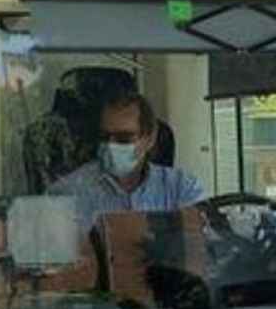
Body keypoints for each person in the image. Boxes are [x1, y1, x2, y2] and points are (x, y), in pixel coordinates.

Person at [48, 88, 205, 229]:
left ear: (149, 139)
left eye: (124, 138)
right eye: (105, 137)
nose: (110, 145)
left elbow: (203, 251)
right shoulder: (67, 194)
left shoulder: (182, 188)